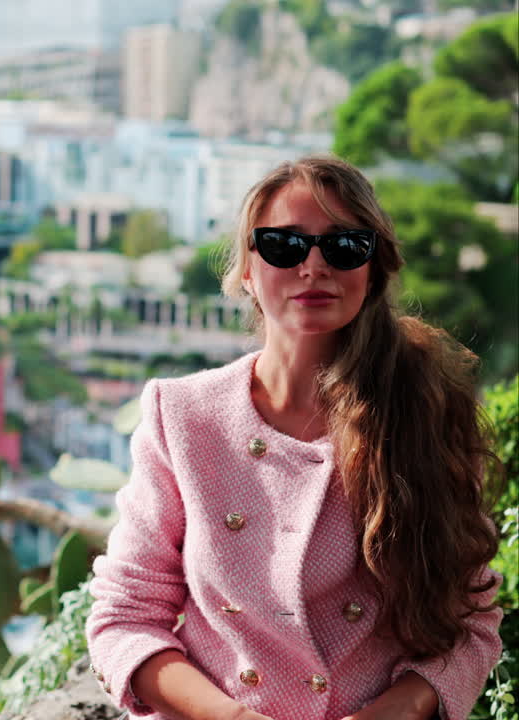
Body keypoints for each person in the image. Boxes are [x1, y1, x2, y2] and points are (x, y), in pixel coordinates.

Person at [85, 155, 502, 720]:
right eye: (284, 245)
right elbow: (125, 617)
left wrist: (394, 712)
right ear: (248, 270)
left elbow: (471, 618)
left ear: (373, 268)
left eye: (344, 246)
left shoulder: (426, 412)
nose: (313, 266)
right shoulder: (183, 416)